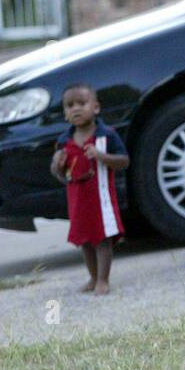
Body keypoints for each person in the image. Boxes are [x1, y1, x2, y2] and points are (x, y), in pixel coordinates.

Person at [51, 83, 130, 295]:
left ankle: (103, 279)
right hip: (77, 199)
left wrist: (102, 156)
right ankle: (93, 277)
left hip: (101, 197)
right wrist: (57, 165)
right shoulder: (64, 141)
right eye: (69, 105)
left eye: (82, 103)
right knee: (84, 240)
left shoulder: (106, 136)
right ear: (65, 113)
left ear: (95, 108)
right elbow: (60, 175)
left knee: (102, 238)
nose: (76, 108)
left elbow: (124, 161)